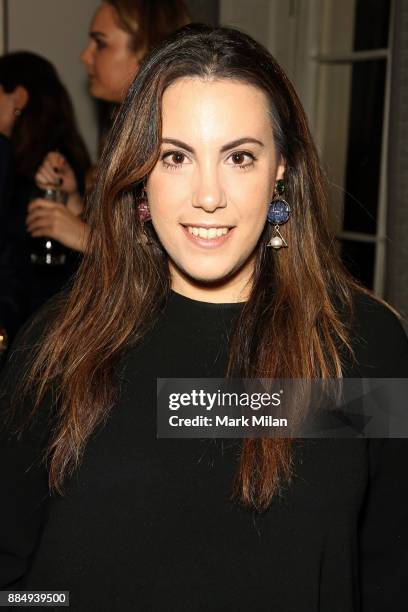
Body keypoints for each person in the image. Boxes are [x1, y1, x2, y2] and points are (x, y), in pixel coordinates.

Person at [1, 24, 408, 611]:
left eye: (240, 156)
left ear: (281, 169)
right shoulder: (59, 347)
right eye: (175, 157)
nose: (208, 195)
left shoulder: (365, 348)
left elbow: (389, 572)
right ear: (139, 172)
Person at [33, 0, 191, 255]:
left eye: (101, 43)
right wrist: (73, 201)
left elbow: (167, 255)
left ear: (147, 52)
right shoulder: (124, 129)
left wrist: (84, 237)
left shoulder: (174, 135)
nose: (85, 57)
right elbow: (126, 231)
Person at [0, 52, 91, 347]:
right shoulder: (57, 152)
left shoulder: (43, 163)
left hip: (48, 324)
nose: (87, 57)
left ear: (19, 98)